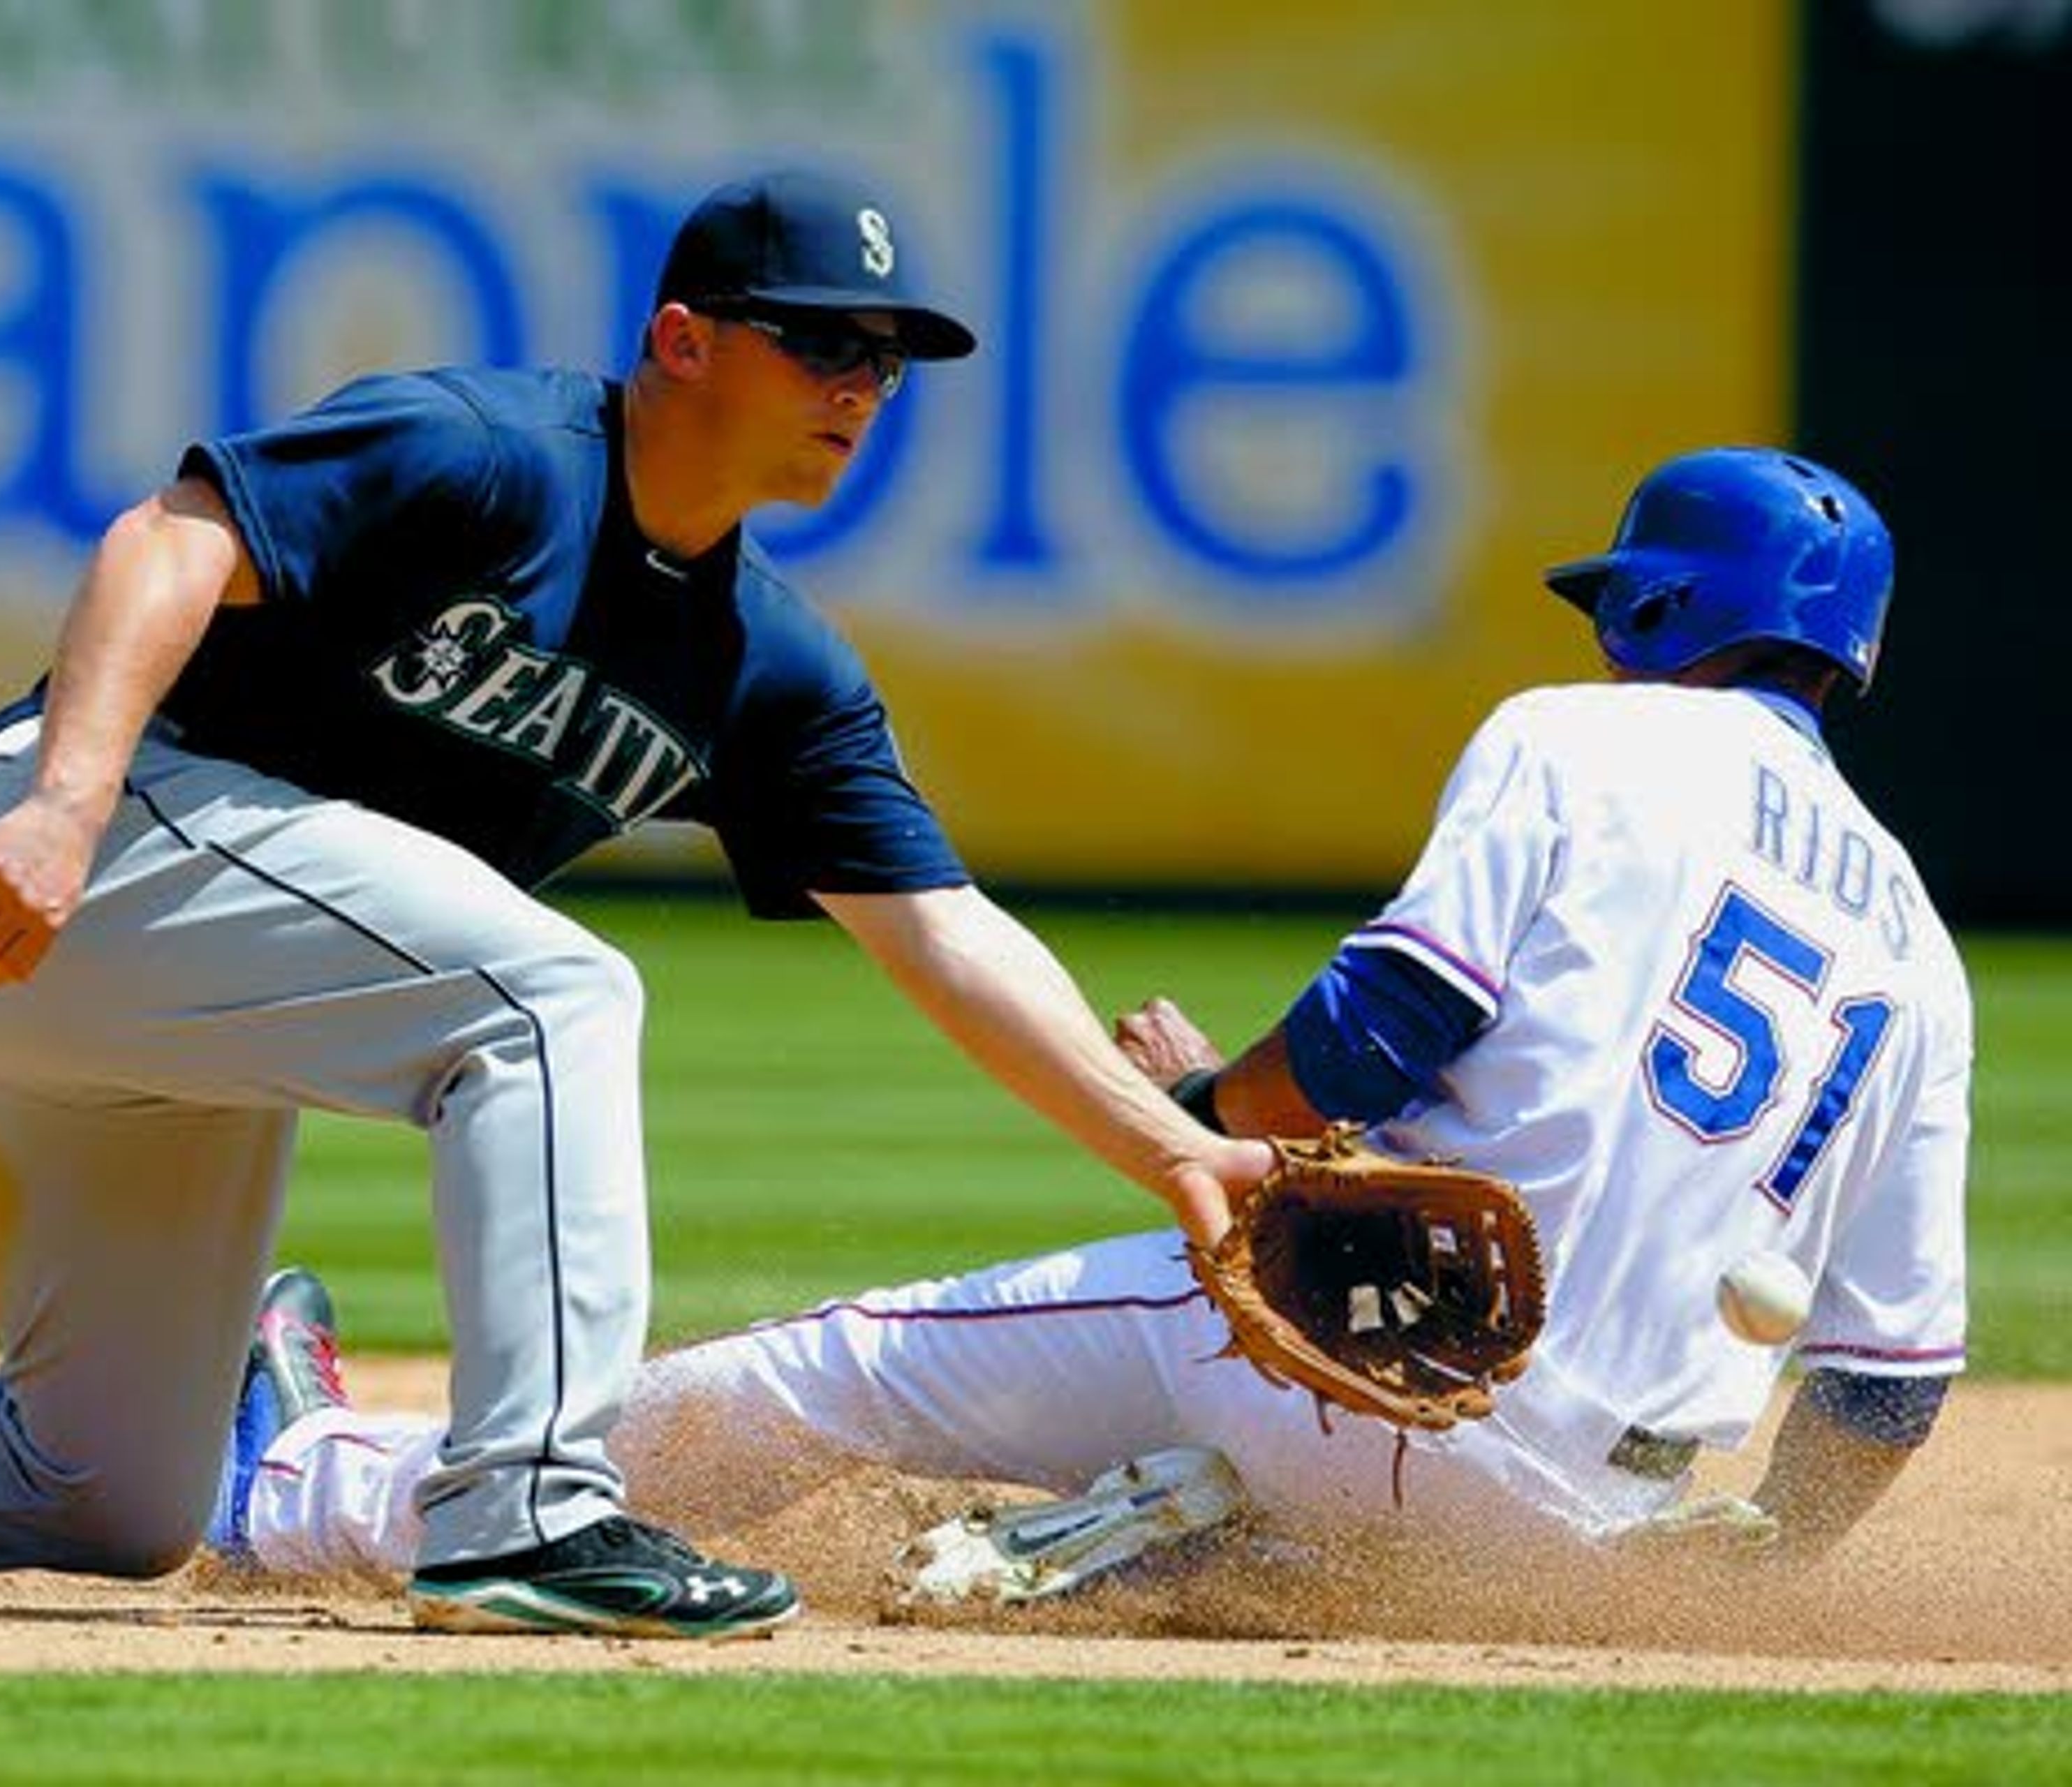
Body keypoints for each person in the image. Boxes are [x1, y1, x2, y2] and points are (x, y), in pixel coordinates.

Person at [0, 169, 1268, 1641]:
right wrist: (63, 794)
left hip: (172, 1009)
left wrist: (1171, 1153)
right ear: (683, 338)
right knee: (553, 996)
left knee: (113, 1492)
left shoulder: (770, 670)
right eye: (820, 337)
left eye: (890, 355)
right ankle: (529, 1513)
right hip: (76, 858)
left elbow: (945, 930)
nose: (860, 379)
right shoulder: (489, 453)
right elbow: (171, 540)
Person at [209, 447, 1971, 1594]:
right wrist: (1736, 1573)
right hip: (1596, 1532)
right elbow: (1890, 1388)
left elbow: (1386, 1020)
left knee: (825, 1375)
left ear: (1660, 605)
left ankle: (302, 1491)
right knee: (1324, 1503)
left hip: (1346, 1386)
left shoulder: (1583, 739)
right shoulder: (1918, 944)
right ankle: (1176, 1540)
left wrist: (1204, 1103)